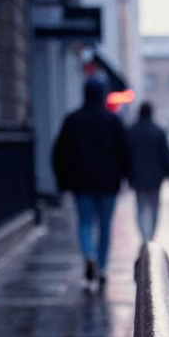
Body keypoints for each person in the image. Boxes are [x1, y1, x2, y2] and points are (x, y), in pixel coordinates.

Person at [52, 79, 128, 286]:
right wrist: (126, 177)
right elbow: (124, 152)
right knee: (105, 226)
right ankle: (102, 267)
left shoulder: (73, 120)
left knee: (85, 222)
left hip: (81, 182)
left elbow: (59, 153)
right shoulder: (113, 121)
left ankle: (89, 255)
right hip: (108, 183)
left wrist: (63, 181)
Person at [124, 102, 169, 243]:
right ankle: (151, 236)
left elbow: (126, 155)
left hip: (138, 176)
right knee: (154, 207)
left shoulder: (132, 131)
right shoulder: (158, 131)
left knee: (141, 206)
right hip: (155, 176)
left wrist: (126, 175)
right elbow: (166, 154)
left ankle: (144, 236)